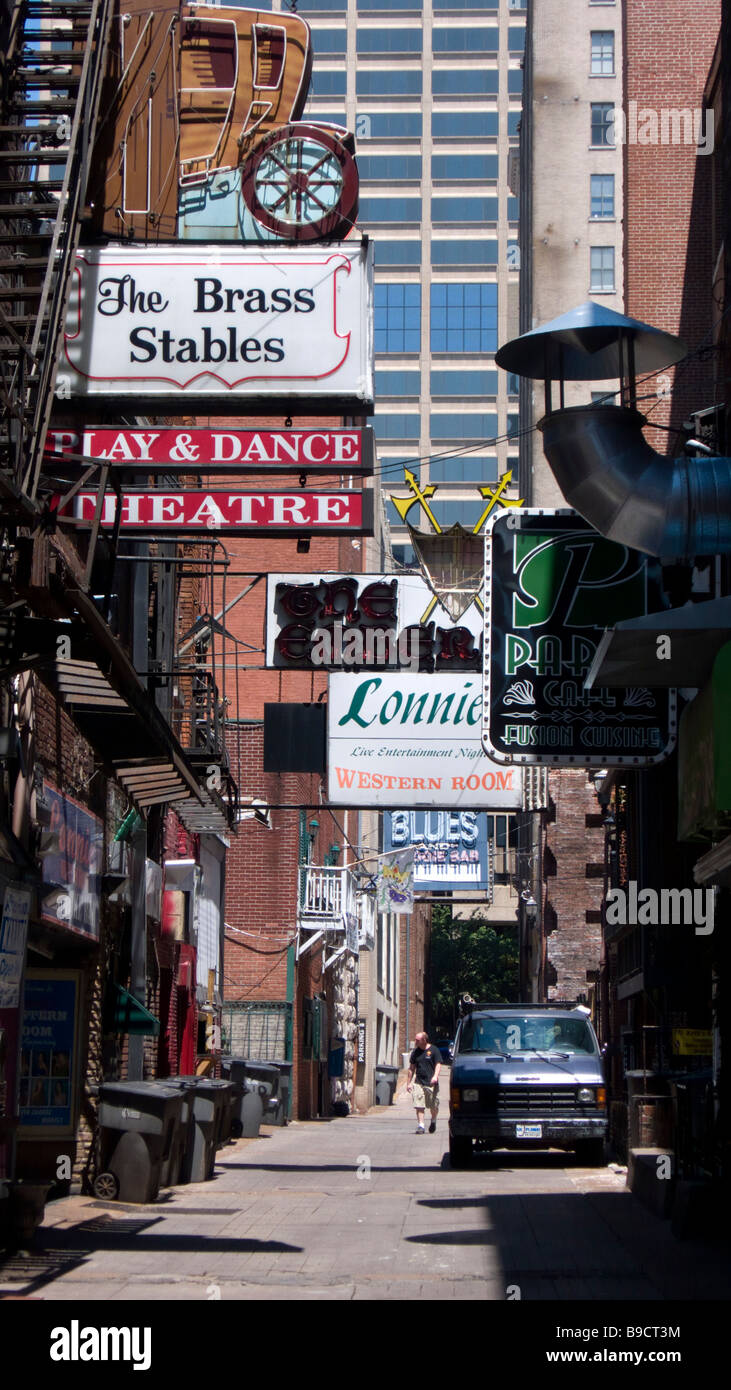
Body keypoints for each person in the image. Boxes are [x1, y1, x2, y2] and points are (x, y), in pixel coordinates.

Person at [407, 1031, 442, 1133]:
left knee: (433, 1106)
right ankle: (421, 1126)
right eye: (415, 1040)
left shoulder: (434, 1050)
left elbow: (438, 1064)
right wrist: (409, 1083)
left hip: (431, 1083)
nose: (415, 1041)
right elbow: (411, 1068)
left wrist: (435, 1076)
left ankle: (433, 1120)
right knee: (419, 1104)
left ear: (424, 1040)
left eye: (417, 1040)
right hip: (419, 1082)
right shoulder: (415, 1052)